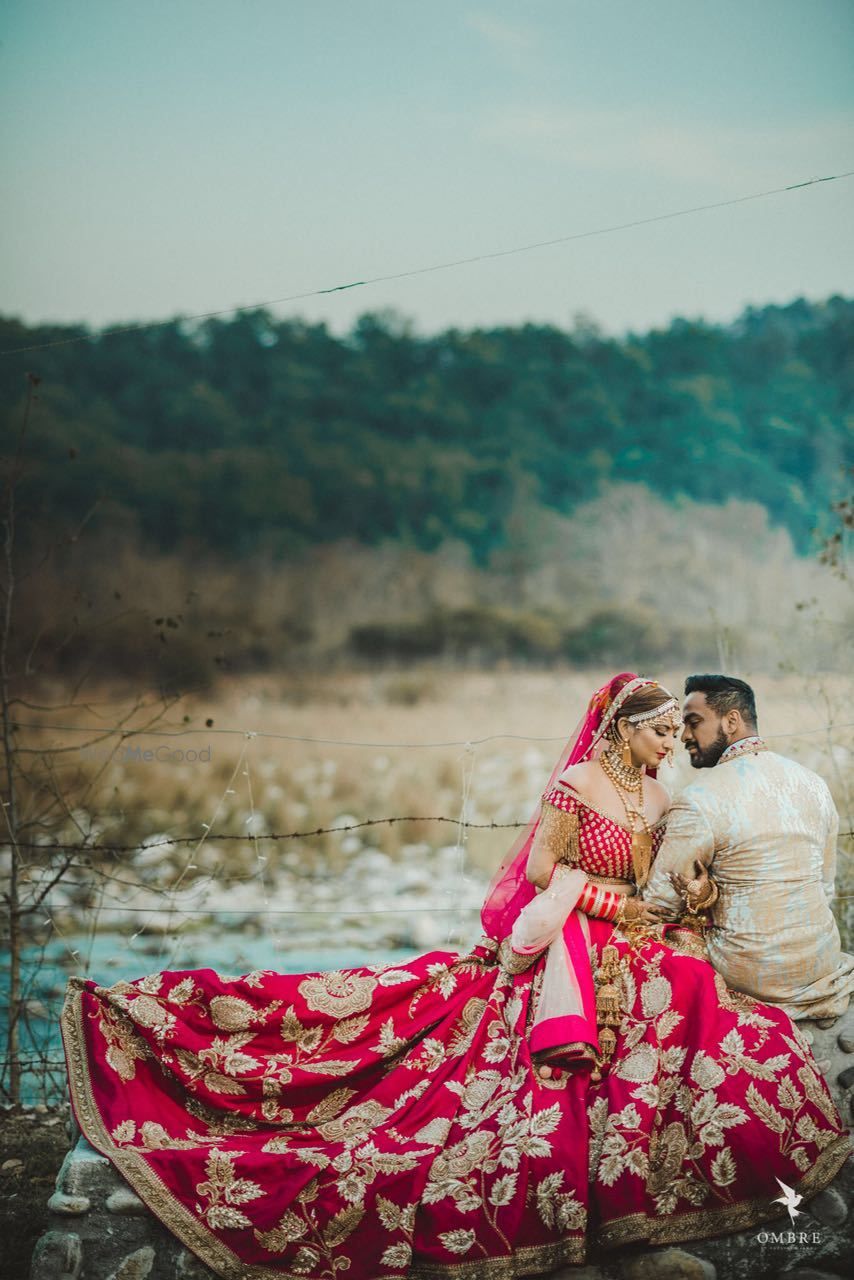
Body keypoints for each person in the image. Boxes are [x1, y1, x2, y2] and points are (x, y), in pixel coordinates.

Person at [60, 674, 850, 1280]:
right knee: (447, 1041)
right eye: (663, 731)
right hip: (577, 925)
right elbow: (545, 870)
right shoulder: (575, 788)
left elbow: (666, 886)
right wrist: (606, 900)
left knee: (692, 997)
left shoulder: (667, 794)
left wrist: (674, 908)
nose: (674, 743)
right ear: (626, 729)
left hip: (633, 935)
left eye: (683, 729)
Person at [644, 674, 854, 1022]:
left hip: (749, 978)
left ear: (731, 721)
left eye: (693, 722)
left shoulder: (700, 799)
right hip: (820, 963)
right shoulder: (814, 784)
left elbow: (660, 904)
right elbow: (825, 887)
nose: (683, 736)